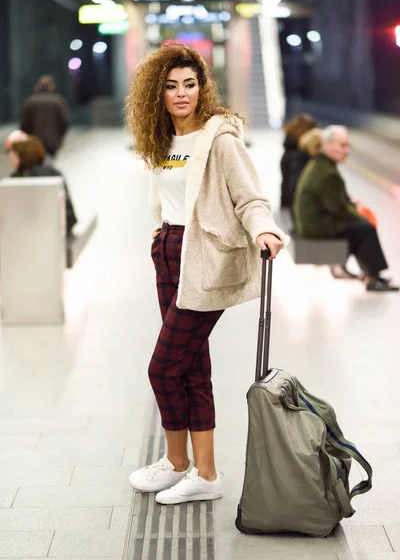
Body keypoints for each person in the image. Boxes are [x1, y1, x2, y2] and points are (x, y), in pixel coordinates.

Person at [125, 44, 289, 505]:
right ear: (158, 92)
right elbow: (166, 196)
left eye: (190, 85)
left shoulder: (219, 139)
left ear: (202, 88)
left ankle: (183, 465)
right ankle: (201, 472)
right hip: (169, 252)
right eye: (172, 86)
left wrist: (265, 230)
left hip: (205, 260)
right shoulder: (160, 140)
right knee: (193, 367)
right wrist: (159, 234)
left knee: (163, 367)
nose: (182, 94)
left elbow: (249, 197)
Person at [293, 125, 398, 292]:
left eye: (348, 146)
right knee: (365, 227)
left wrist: (350, 204)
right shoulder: (328, 173)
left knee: (360, 226)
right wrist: (359, 215)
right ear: (327, 145)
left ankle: (371, 274)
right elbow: (340, 210)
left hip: (313, 222)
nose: (347, 150)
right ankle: (373, 277)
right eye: (342, 146)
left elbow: (334, 199)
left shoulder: (321, 164)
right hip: (317, 227)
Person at [10, 135, 77, 234]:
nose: (11, 157)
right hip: (60, 228)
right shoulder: (52, 170)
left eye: (13, 153)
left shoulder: (19, 178)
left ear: (21, 155)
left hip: (34, 232)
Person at [21, 75, 70, 158]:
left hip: (34, 143)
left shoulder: (30, 102)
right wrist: (58, 138)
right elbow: (65, 122)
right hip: (52, 142)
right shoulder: (58, 101)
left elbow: (24, 124)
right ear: (51, 86)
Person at [280, 113, 317, 210]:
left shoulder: (289, 148)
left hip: (287, 203)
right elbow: (295, 185)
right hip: (295, 207)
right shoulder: (300, 155)